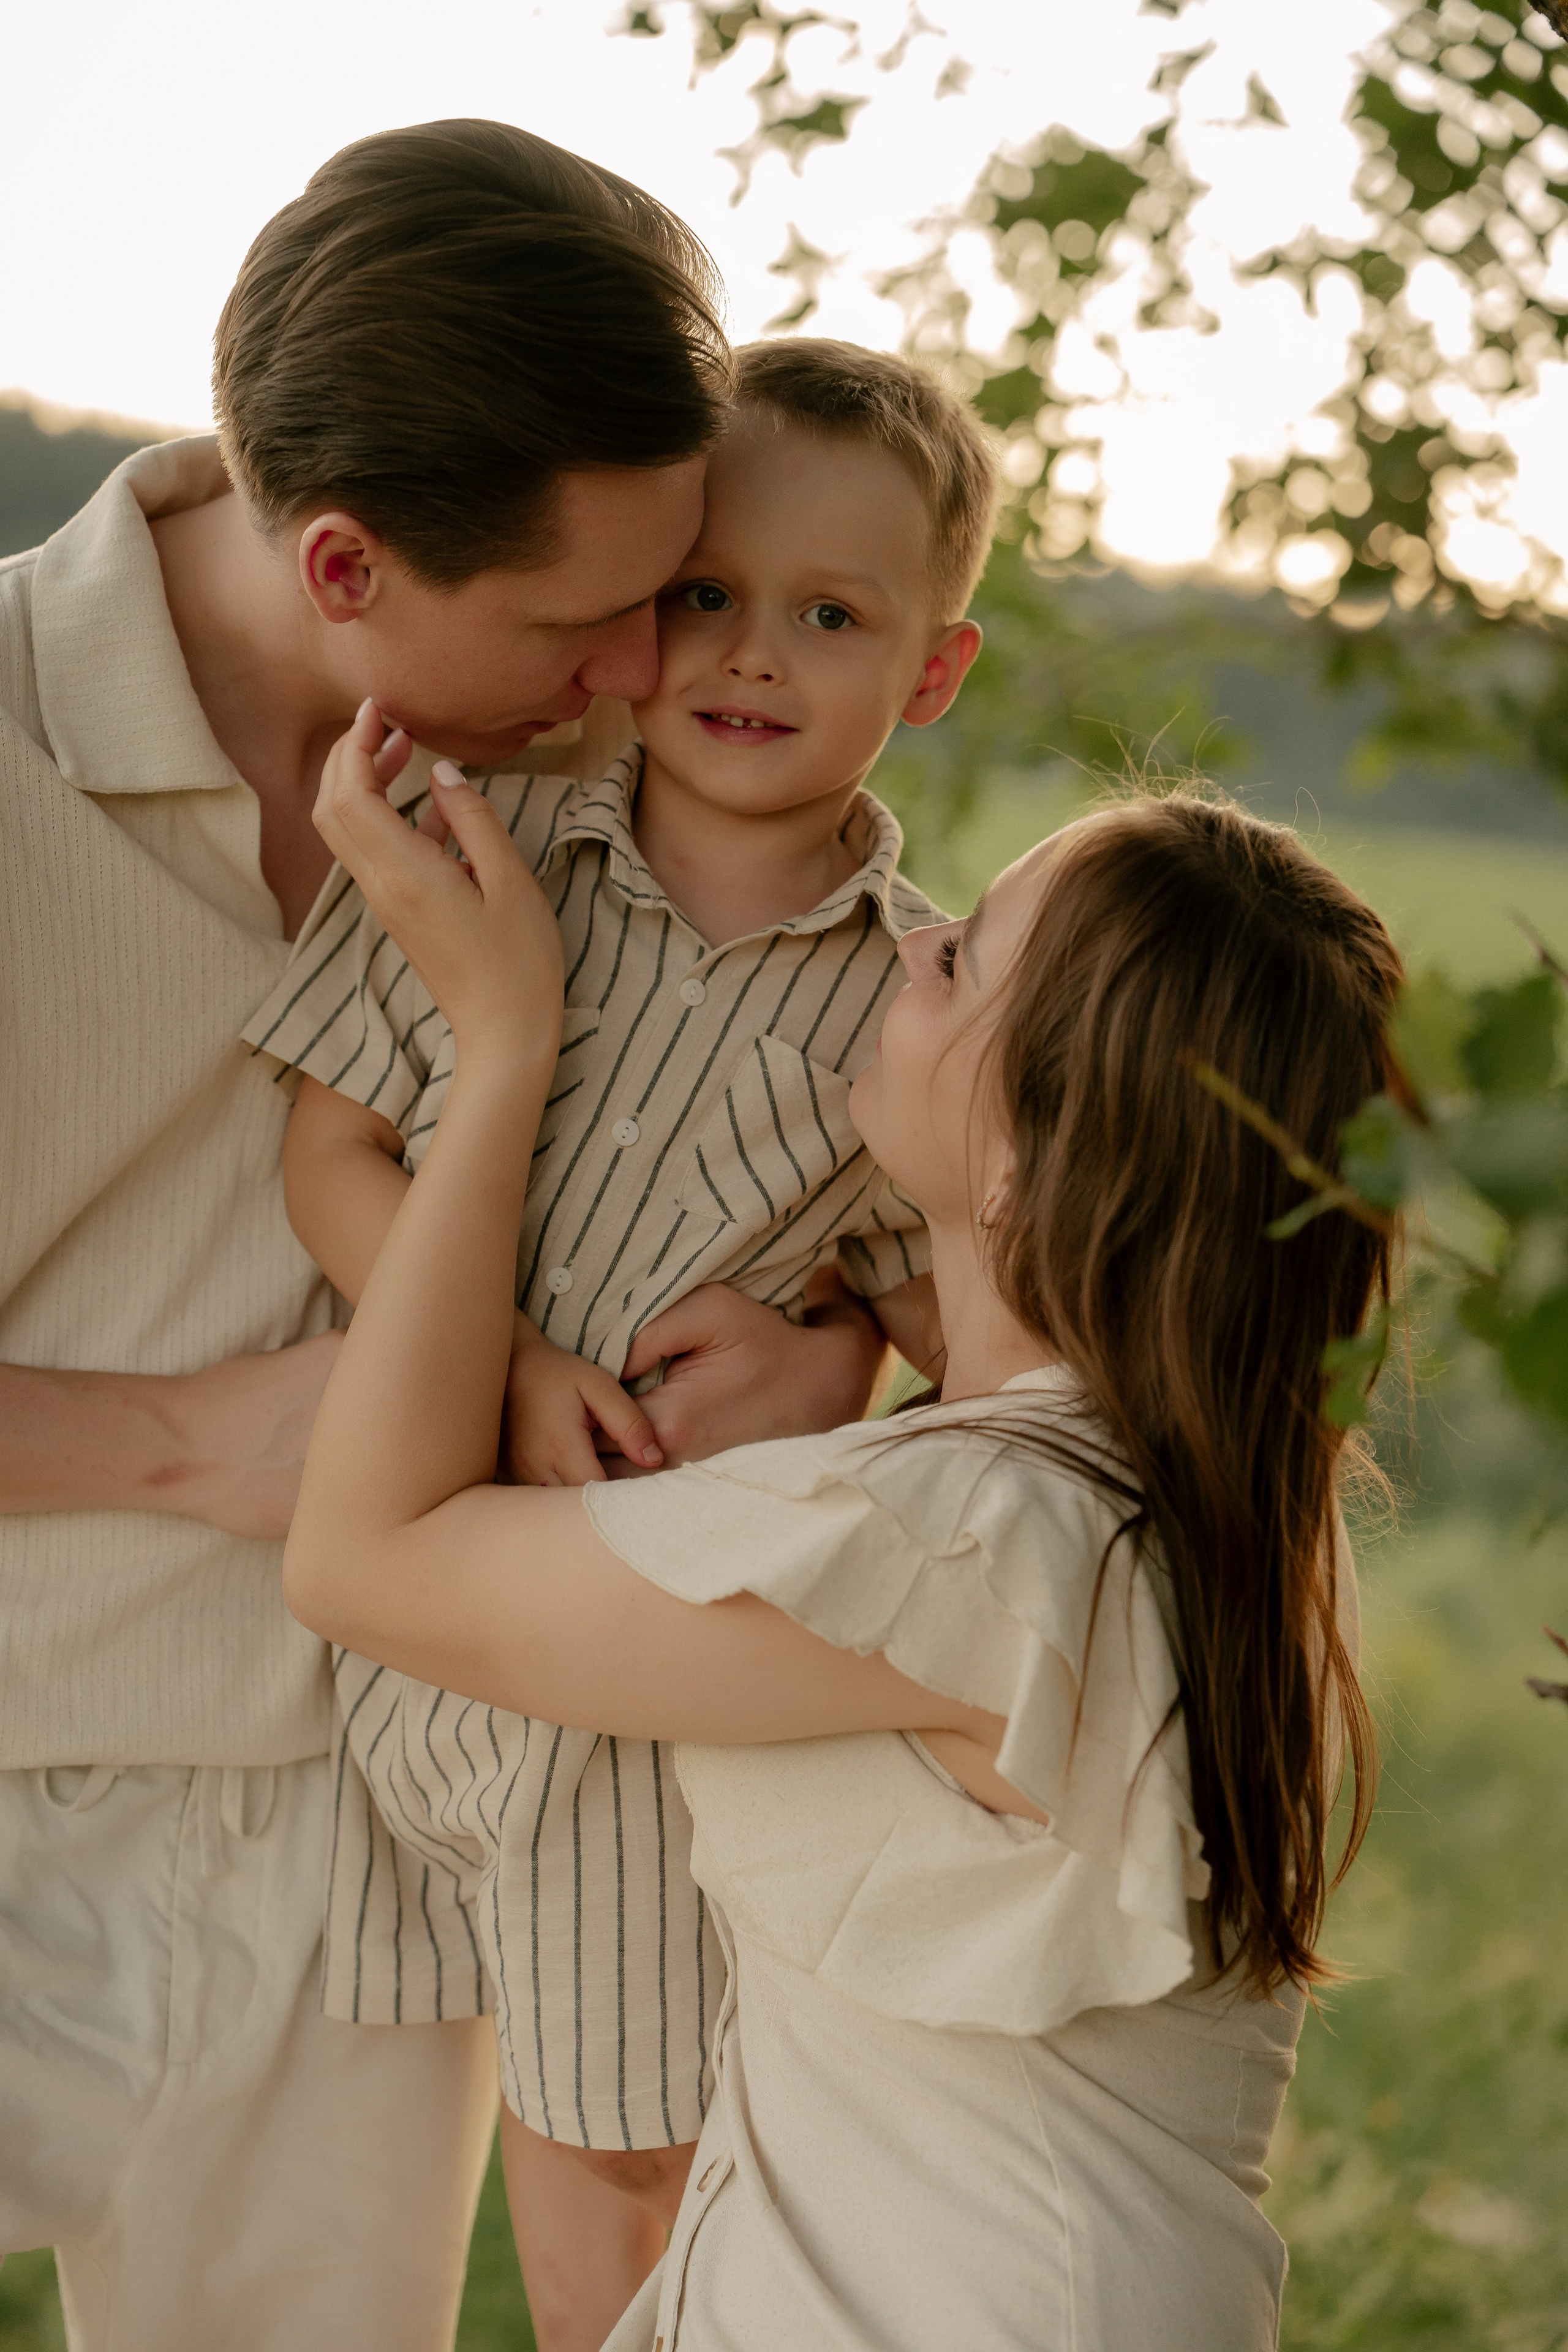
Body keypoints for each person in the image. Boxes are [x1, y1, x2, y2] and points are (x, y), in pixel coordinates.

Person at [0, 121, 883, 2351]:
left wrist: (837, 1347)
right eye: (588, 620)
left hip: (387, 1834)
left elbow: (806, 1106)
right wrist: (193, 1438)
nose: (645, 670)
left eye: (672, 592)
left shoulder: (594, 756)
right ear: (343, 564)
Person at [283, 731, 1396, 2348]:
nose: (905, 953)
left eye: (959, 962)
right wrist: (846, 1358)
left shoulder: (973, 1540)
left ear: (1030, 1152)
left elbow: (364, 1561)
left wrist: (507, 1037)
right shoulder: (1210, 1498)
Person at [241, 341, 996, 2310]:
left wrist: (849, 1364)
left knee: (622, 2180)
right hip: (385, 1639)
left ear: (932, 673)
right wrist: (501, 1360)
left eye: (830, 616)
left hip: (626, 1681)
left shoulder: (921, 1005)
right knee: (362, 2188)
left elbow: (971, 1329)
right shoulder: (478, 851)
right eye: (707, 593)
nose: (751, 654)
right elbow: (329, 1153)